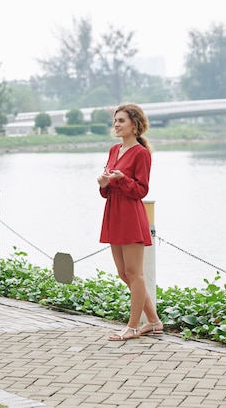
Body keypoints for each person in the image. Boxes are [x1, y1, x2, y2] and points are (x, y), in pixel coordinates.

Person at [97, 103, 163, 341]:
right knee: (124, 273)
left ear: (134, 125)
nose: (116, 124)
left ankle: (133, 326)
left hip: (131, 216)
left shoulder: (141, 154)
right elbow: (107, 190)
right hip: (114, 213)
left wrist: (123, 178)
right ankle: (154, 322)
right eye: (115, 120)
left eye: (121, 120)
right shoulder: (114, 150)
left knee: (135, 273)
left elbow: (141, 190)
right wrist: (104, 183)